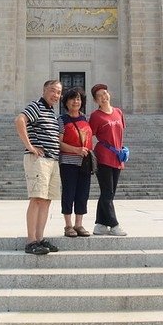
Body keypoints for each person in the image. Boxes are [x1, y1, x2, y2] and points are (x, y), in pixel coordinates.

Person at [15, 80, 63, 255]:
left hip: (51, 161)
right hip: (38, 161)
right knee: (36, 199)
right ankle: (31, 241)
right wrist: (30, 146)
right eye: (52, 91)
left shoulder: (51, 112)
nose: (56, 95)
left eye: (58, 92)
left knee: (46, 200)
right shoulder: (36, 106)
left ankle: (40, 238)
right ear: (44, 90)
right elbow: (20, 120)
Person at [89, 83, 127, 236]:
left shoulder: (118, 112)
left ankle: (100, 224)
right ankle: (114, 224)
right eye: (99, 96)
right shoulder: (96, 116)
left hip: (117, 156)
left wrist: (123, 150)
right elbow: (89, 134)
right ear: (96, 100)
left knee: (109, 193)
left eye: (105, 93)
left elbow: (120, 133)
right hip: (103, 156)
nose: (103, 97)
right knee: (107, 192)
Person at [58, 87, 93, 237]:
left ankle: (79, 224)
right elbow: (58, 143)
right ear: (66, 102)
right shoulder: (61, 120)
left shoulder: (86, 119)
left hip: (84, 163)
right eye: (72, 98)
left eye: (78, 99)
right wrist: (76, 150)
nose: (75, 101)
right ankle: (68, 225)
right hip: (68, 162)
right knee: (69, 192)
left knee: (82, 193)